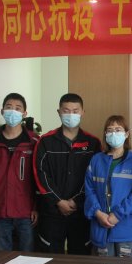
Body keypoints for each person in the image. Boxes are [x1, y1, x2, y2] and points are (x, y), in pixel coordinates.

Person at [34, 93, 101, 254]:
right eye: (66, 111)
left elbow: (96, 177)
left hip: (81, 210)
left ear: (83, 112)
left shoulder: (93, 143)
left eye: (75, 111)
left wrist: (76, 201)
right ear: (59, 112)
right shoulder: (45, 141)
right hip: (52, 211)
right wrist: (59, 201)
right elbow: (40, 174)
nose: (71, 115)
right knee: (50, 257)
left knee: (81, 256)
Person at [0, 93, 39, 251]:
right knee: (2, 257)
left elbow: (38, 178)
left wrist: (36, 207)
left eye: (18, 108)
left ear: (24, 114)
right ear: (2, 111)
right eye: (9, 107)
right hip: (0, 211)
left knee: (27, 258)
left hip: (26, 212)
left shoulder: (34, 142)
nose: (13, 111)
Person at [85, 115, 132, 257]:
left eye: (118, 130)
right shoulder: (96, 160)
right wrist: (98, 213)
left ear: (126, 134)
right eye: (110, 130)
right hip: (101, 228)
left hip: (128, 230)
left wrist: (117, 215)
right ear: (105, 134)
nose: (114, 134)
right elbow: (89, 190)